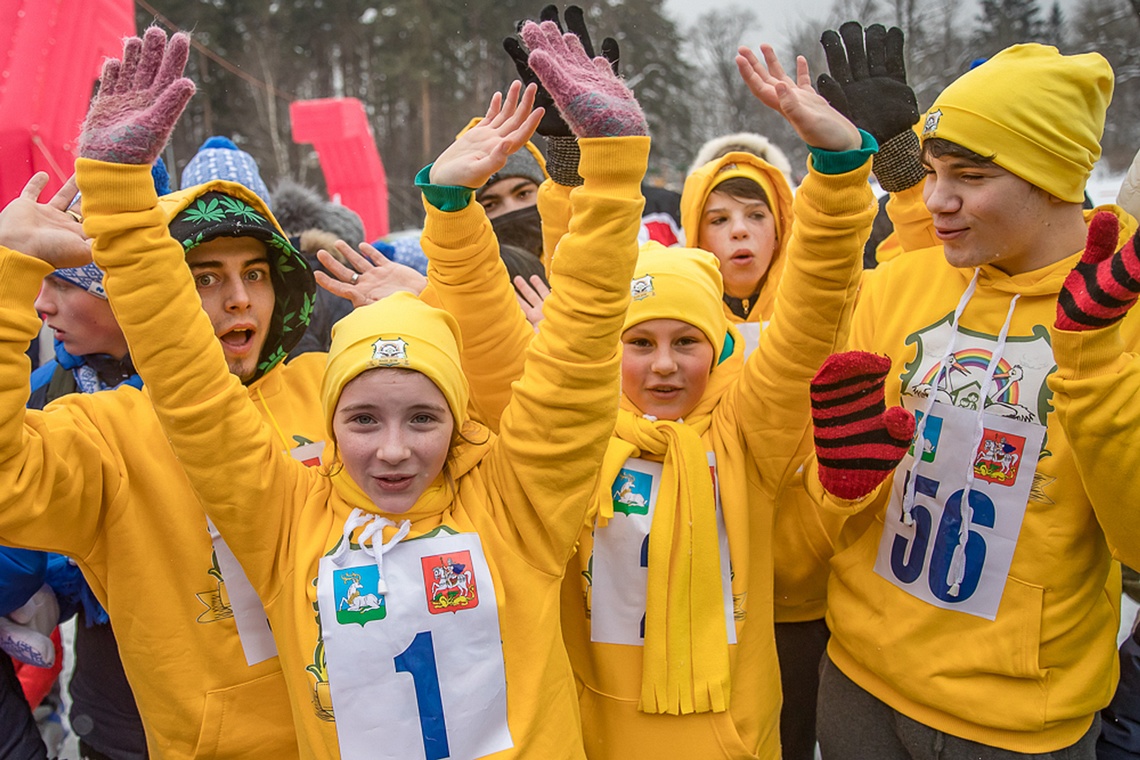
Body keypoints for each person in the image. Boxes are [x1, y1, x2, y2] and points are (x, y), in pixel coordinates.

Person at [80, 24, 649, 760]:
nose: (392, 450)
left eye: (422, 417)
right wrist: (122, 201)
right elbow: (189, 382)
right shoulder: (286, 520)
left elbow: (577, 355)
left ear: (460, 417)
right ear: (327, 421)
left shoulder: (518, 506)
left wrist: (609, 172)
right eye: (361, 418)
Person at [804, 24, 1130, 758]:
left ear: (1055, 178)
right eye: (931, 171)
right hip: (858, 681)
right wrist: (840, 485)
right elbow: (825, 502)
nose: (938, 199)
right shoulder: (903, 283)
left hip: (1014, 721)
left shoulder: (1122, 308)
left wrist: (1098, 364)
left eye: (972, 177)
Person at [0, 28, 324, 758]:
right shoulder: (108, 432)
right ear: (156, 290)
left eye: (256, 273)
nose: (238, 300)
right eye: (204, 277)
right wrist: (10, 270)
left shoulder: (337, 391)